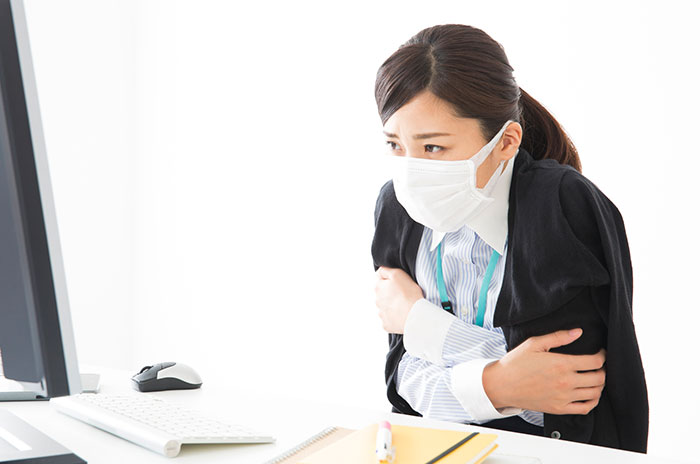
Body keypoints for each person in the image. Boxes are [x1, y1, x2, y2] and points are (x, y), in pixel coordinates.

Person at [371, 24, 648, 453]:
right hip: (430, 449)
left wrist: (420, 323)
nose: (411, 170)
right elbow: (405, 381)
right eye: (395, 145)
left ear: (506, 142)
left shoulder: (562, 205)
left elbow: (569, 391)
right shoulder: (396, 205)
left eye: (433, 148)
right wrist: (500, 382)